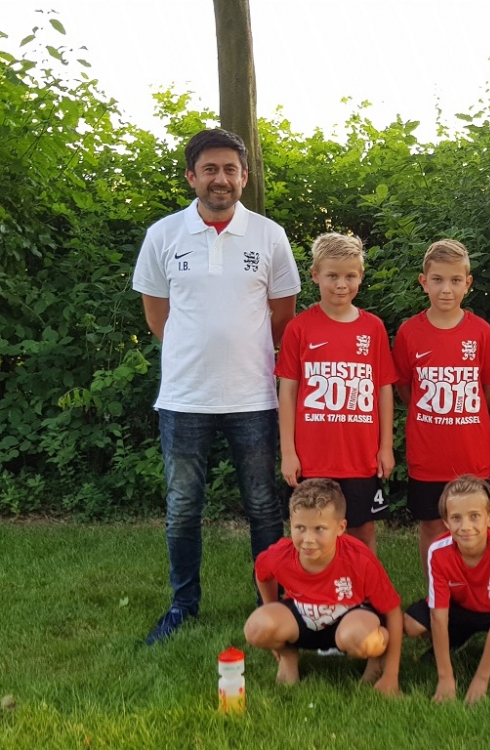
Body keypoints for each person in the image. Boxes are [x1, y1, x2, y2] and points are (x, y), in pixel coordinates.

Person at [133, 128, 301, 645]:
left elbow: (282, 315)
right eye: (210, 169)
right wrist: (197, 351)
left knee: (263, 506)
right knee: (183, 506)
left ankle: (270, 603)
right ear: (192, 177)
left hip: (253, 395)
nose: (220, 179)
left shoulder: (269, 236)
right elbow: (158, 317)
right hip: (185, 397)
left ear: (244, 177)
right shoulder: (164, 235)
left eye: (230, 169)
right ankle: (183, 604)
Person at [275, 232, 396, 554]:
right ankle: (313, 586)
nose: (341, 285)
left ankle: (363, 586)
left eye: (350, 276)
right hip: (312, 458)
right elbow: (287, 393)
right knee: (310, 532)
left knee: (362, 532)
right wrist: (288, 452)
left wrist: (385, 447)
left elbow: (384, 389)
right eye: (332, 276)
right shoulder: (299, 328)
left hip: (360, 457)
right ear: (315, 275)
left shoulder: (373, 328)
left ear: (361, 276)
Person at [392, 240, 490, 576]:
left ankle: (476, 589)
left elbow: (488, 389)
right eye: (437, 280)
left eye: (455, 280)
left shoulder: (482, 332)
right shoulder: (409, 333)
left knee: (475, 527)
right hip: (427, 455)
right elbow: (405, 389)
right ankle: (436, 590)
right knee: (432, 526)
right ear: (423, 282)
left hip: (471, 454)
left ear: (468, 283)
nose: (446, 289)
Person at [244, 479, 402, 693]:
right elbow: (262, 574)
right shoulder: (280, 555)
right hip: (302, 617)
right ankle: (288, 655)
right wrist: (270, 605)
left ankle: (377, 660)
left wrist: (391, 675)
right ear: (290, 523)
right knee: (256, 628)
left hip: (349, 620)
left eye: (319, 529)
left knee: (361, 638)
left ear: (340, 528)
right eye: (300, 528)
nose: (308, 539)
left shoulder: (359, 559)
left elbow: (392, 610)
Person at [403, 476, 490, 705]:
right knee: (411, 624)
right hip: (462, 607)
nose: (465, 527)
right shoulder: (437, 551)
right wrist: (445, 677)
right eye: (456, 518)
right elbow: (438, 616)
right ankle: (455, 640)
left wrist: (481, 679)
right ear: (446, 522)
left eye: (474, 516)